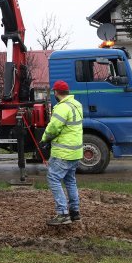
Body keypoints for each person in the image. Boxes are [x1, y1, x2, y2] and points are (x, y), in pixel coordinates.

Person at [41, 80, 83, 226]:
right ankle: (75, 212)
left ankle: (63, 214)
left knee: (53, 178)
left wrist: (44, 139)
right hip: (75, 152)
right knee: (70, 180)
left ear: (56, 92)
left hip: (63, 153)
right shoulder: (77, 105)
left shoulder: (61, 108)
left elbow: (53, 128)